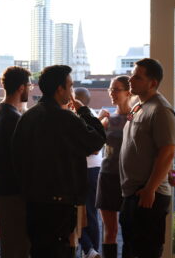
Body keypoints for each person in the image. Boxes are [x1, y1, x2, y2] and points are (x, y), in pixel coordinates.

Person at [12, 65, 106, 258]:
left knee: (39, 250)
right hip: (60, 203)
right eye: (70, 86)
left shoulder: (27, 117)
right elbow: (96, 140)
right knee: (59, 251)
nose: (72, 92)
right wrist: (85, 111)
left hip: (33, 201)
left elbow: (16, 157)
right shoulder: (66, 118)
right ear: (59, 89)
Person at [119, 58, 175, 258]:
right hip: (134, 192)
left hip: (148, 195)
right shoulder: (139, 105)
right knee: (131, 249)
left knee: (146, 251)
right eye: (131, 75)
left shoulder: (161, 110)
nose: (130, 80)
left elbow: (168, 151)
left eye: (137, 77)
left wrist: (150, 189)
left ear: (152, 83)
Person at [0, 66, 32, 258]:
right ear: (22, 87)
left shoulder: (0, 110)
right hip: (15, 192)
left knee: (10, 244)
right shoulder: (14, 118)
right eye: (29, 85)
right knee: (19, 246)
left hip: (4, 189)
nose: (30, 89)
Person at [95, 76, 131, 258]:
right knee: (110, 231)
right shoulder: (108, 119)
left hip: (129, 179)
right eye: (110, 89)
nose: (112, 93)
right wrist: (98, 121)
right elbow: (93, 148)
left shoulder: (136, 119)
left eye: (116, 89)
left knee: (129, 230)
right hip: (108, 176)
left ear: (128, 92)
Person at [74, 87, 102, 258]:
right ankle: (91, 250)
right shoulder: (92, 115)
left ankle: (90, 250)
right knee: (90, 213)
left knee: (79, 212)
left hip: (85, 170)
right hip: (94, 170)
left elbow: (94, 149)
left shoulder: (80, 117)